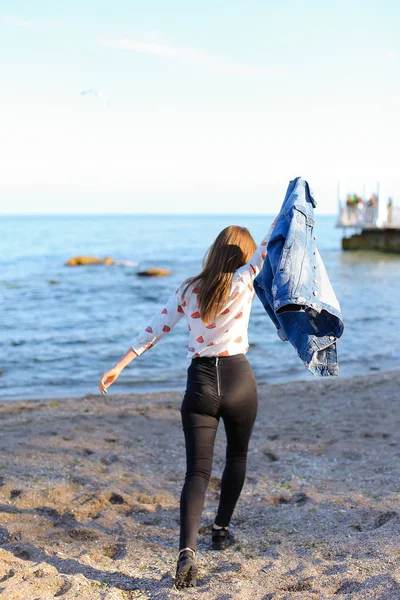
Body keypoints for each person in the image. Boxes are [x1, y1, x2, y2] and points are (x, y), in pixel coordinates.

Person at [98, 222, 275, 589]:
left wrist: (120, 365)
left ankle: (187, 552)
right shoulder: (245, 280)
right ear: (242, 255)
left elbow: (155, 329)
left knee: (196, 473)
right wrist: (294, 197)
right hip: (239, 379)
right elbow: (270, 240)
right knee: (237, 458)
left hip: (200, 385)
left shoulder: (188, 289)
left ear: (214, 250)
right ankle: (221, 531)